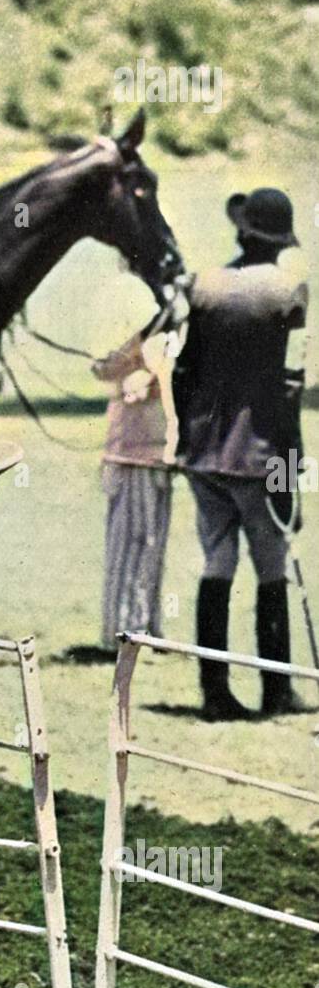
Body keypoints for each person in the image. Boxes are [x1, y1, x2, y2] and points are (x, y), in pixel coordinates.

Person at [173, 187, 309, 721]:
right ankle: (276, 689)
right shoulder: (288, 290)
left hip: (204, 452)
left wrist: (188, 437)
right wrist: (289, 463)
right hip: (261, 452)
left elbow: (184, 371)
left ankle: (215, 691)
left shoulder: (204, 285)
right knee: (272, 563)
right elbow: (291, 386)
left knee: (218, 562)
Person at [92, 323, 174, 654]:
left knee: (149, 545)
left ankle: (144, 626)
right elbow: (101, 368)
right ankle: (126, 630)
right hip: (131, 454)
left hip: (154, 453)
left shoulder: (163, 337)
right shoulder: (131, 334)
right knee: (134, 544)